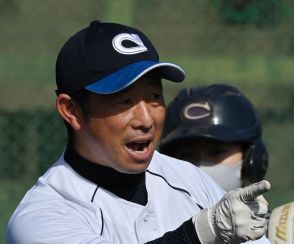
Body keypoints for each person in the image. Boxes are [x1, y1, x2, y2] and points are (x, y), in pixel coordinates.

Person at [7, 21, 271, 244]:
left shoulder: (187, 179)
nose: (146, 119)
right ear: (71, 110)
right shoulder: (40, 218)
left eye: (155, 96)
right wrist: (201, 232)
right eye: (125, 101)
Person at [159, 84, 294, 243]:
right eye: (187, 155)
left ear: (252, 159)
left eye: (216, 152)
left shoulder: (278, 233)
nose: (200, 167)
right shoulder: (150, 229)